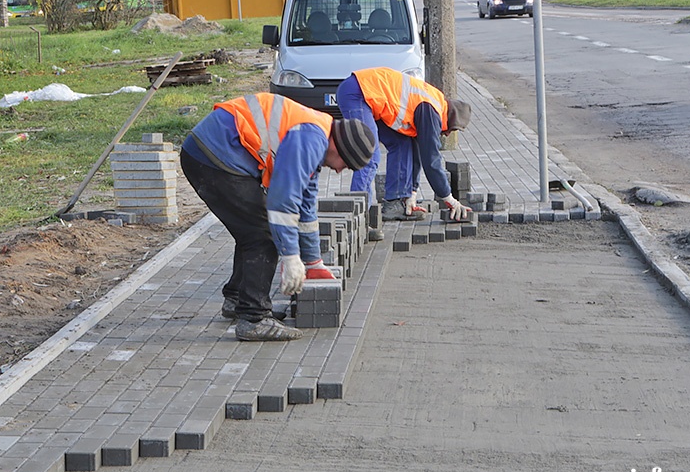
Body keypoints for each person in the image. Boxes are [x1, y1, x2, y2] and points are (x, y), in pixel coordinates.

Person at [180, 93, 376, 342]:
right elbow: (282, 202)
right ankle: (254, 319)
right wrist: (291, 256)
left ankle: (239, 299)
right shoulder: (311, 138)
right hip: (212, 154)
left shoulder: (317, 137)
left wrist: (313, 261)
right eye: (345, 165)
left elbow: (306, 207)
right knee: (262, 233)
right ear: (340, 148)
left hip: (213, 151)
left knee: (251, 227)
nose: (339, 170)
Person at [336, 67, 472, 222]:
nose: (446, 134)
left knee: (402, 143)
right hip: (358, 94)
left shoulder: (432, 105)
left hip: (366, 96)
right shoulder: (432, 110)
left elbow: (417, 153)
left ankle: (394, 204)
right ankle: (358, 219)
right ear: (450, 119)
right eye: (451, 130)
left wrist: (411, 195)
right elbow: (431, 160)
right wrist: (449, 198)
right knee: (370, 155)